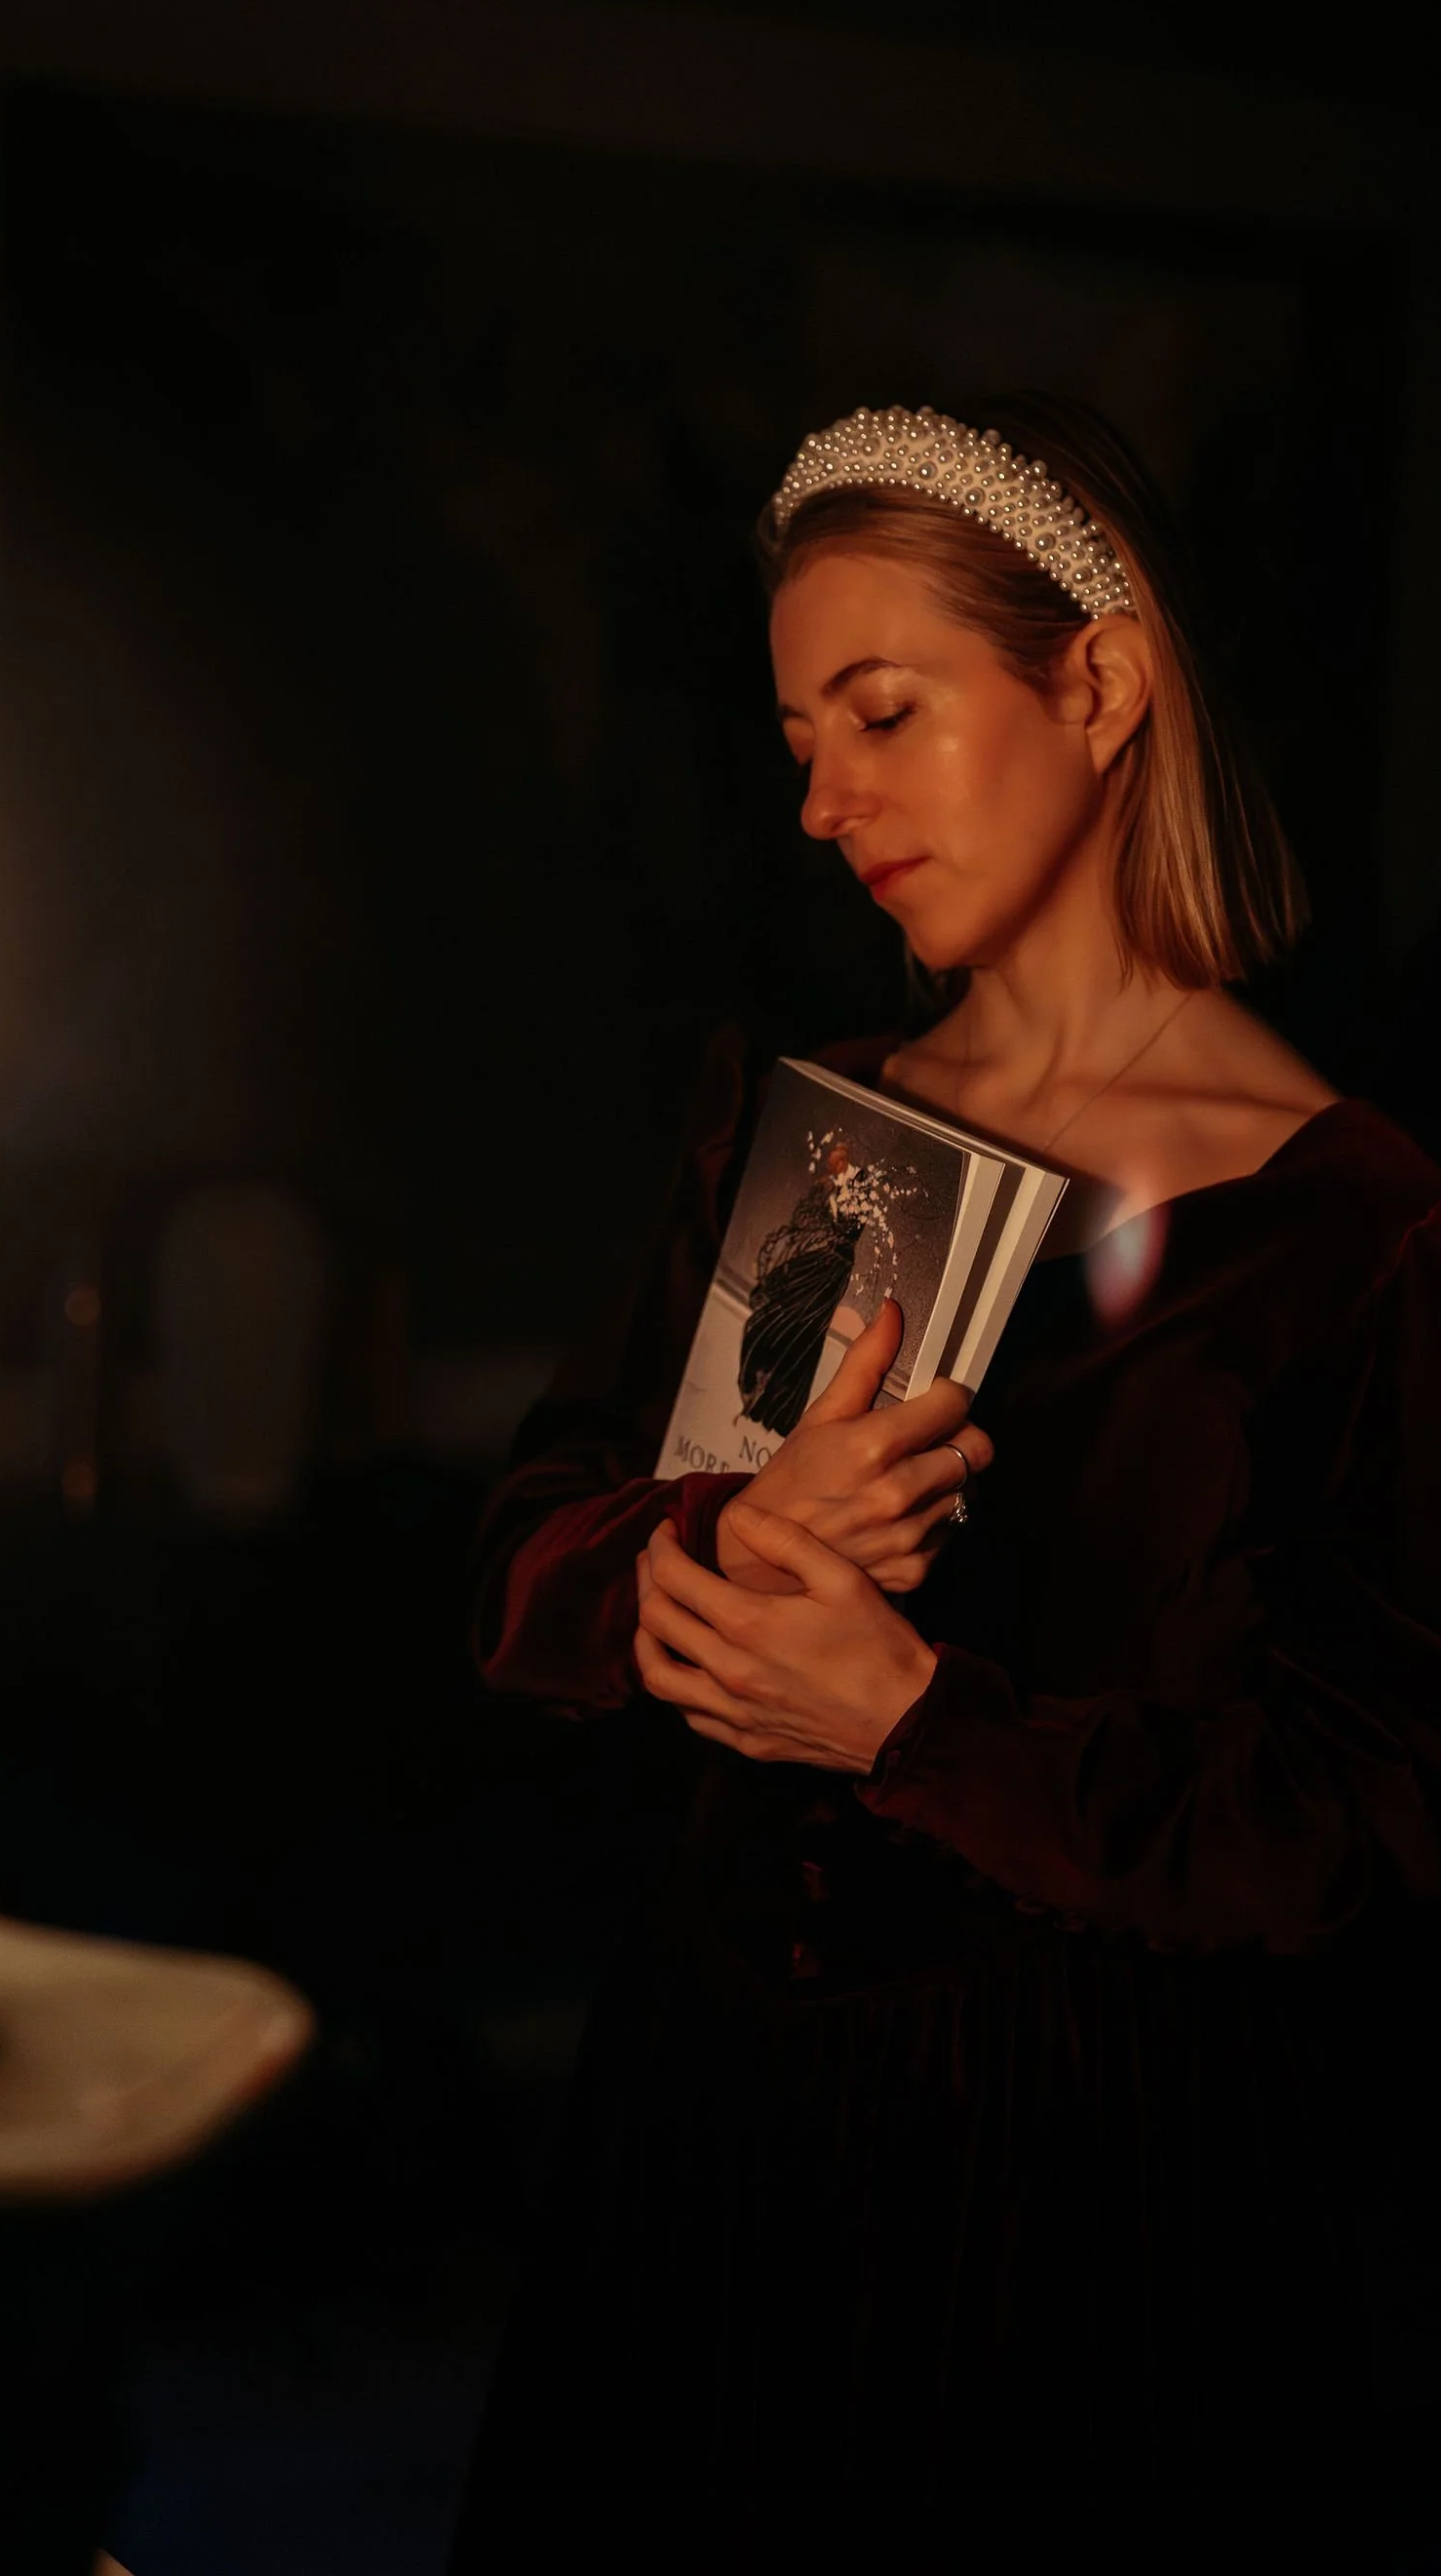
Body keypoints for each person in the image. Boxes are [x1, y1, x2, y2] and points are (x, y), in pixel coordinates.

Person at [449, 399, 1441, 2572]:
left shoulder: (1356, 1227)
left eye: (883, 714)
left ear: (1096, 680)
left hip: (1104, 2208)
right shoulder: (804, 1129)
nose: (823, 802)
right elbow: (530, 1546)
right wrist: (703, 1559)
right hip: (712, 2144)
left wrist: (915, 1724)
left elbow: (1372, 1829)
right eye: (802, 732)